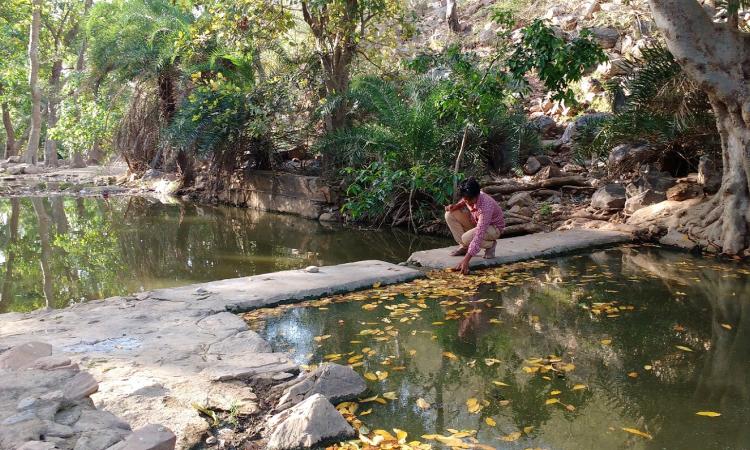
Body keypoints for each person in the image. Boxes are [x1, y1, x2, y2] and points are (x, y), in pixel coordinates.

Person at [444, 178, 505, 274]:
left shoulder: (486, 206)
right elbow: (464, 201)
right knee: (449, 214)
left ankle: (491, 245)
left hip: (493, 228)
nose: (467, 202)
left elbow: (479, 234)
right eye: (465, 199)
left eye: (470, 199)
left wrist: (466, 261)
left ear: (477, 195)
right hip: (476, 222)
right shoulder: (469, 197)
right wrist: (455, 206)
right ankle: (465, 247)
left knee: (466, 238)